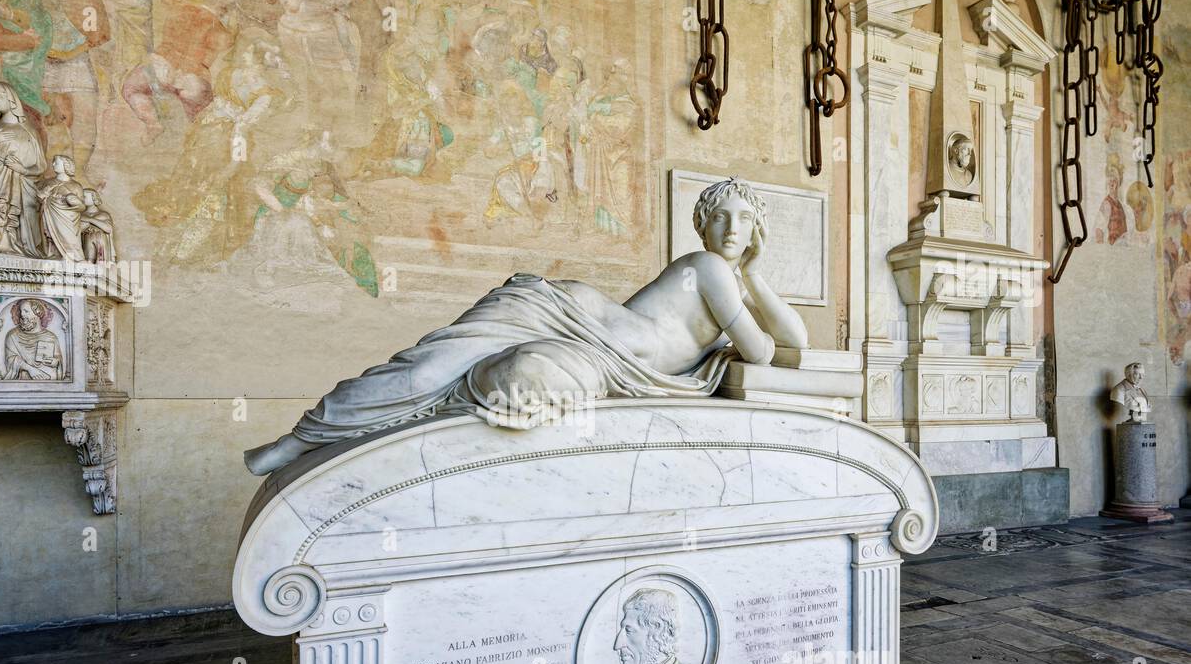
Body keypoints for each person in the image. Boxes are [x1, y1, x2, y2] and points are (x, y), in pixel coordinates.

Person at [245, 176, 809, 475]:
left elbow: (794, 345)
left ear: (757, 231)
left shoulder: (730, 277)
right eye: (720, 217)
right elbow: (761, 353)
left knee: (449, 379)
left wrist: (755, 274)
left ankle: (314, 441)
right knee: (427, 369)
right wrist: (744, 277)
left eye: (743, 221)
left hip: (593, 355)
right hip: (561, 313)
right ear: (702, 225)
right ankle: (300, 439)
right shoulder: (709, 268)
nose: (730, 229)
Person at [0, 81, 48, 257]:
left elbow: (40, 166)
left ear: (10, 99)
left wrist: (21, 169)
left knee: (17, 213)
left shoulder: (29, 131)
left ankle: (18, 244)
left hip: (22, 185)